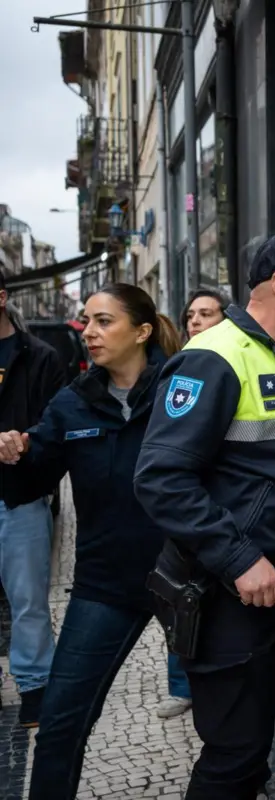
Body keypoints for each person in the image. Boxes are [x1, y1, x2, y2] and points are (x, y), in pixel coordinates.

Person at [133, 233, 275, 799]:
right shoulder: (213, 358)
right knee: (233, 756)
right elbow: (160, 478)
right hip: (220, 595)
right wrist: (239, 558)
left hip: (267, 591)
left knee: (252, 749)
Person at [0, 285, 181, 796]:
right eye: (86, 321)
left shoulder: (185, 389)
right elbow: (32, 481)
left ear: (142, 331)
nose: (88, 332)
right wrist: (12, 455)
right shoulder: (74, 403)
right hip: (106, 584)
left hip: (192, 577)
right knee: (60, 725)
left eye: (103, 321)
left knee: (226, 718)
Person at [155, 288, 230, 721]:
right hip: (184, 511)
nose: (196, 321)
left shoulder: (227, 365)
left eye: (206, 313)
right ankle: (182, 685)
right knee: (180, 601)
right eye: (191, 315)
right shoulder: (180, 368)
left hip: (218, 510)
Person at [0, 272, 65, 728]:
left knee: (27, 599)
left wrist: (26, 444)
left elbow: (58, 430)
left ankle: (35, 685)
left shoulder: (40, 356)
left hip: (19, 498)